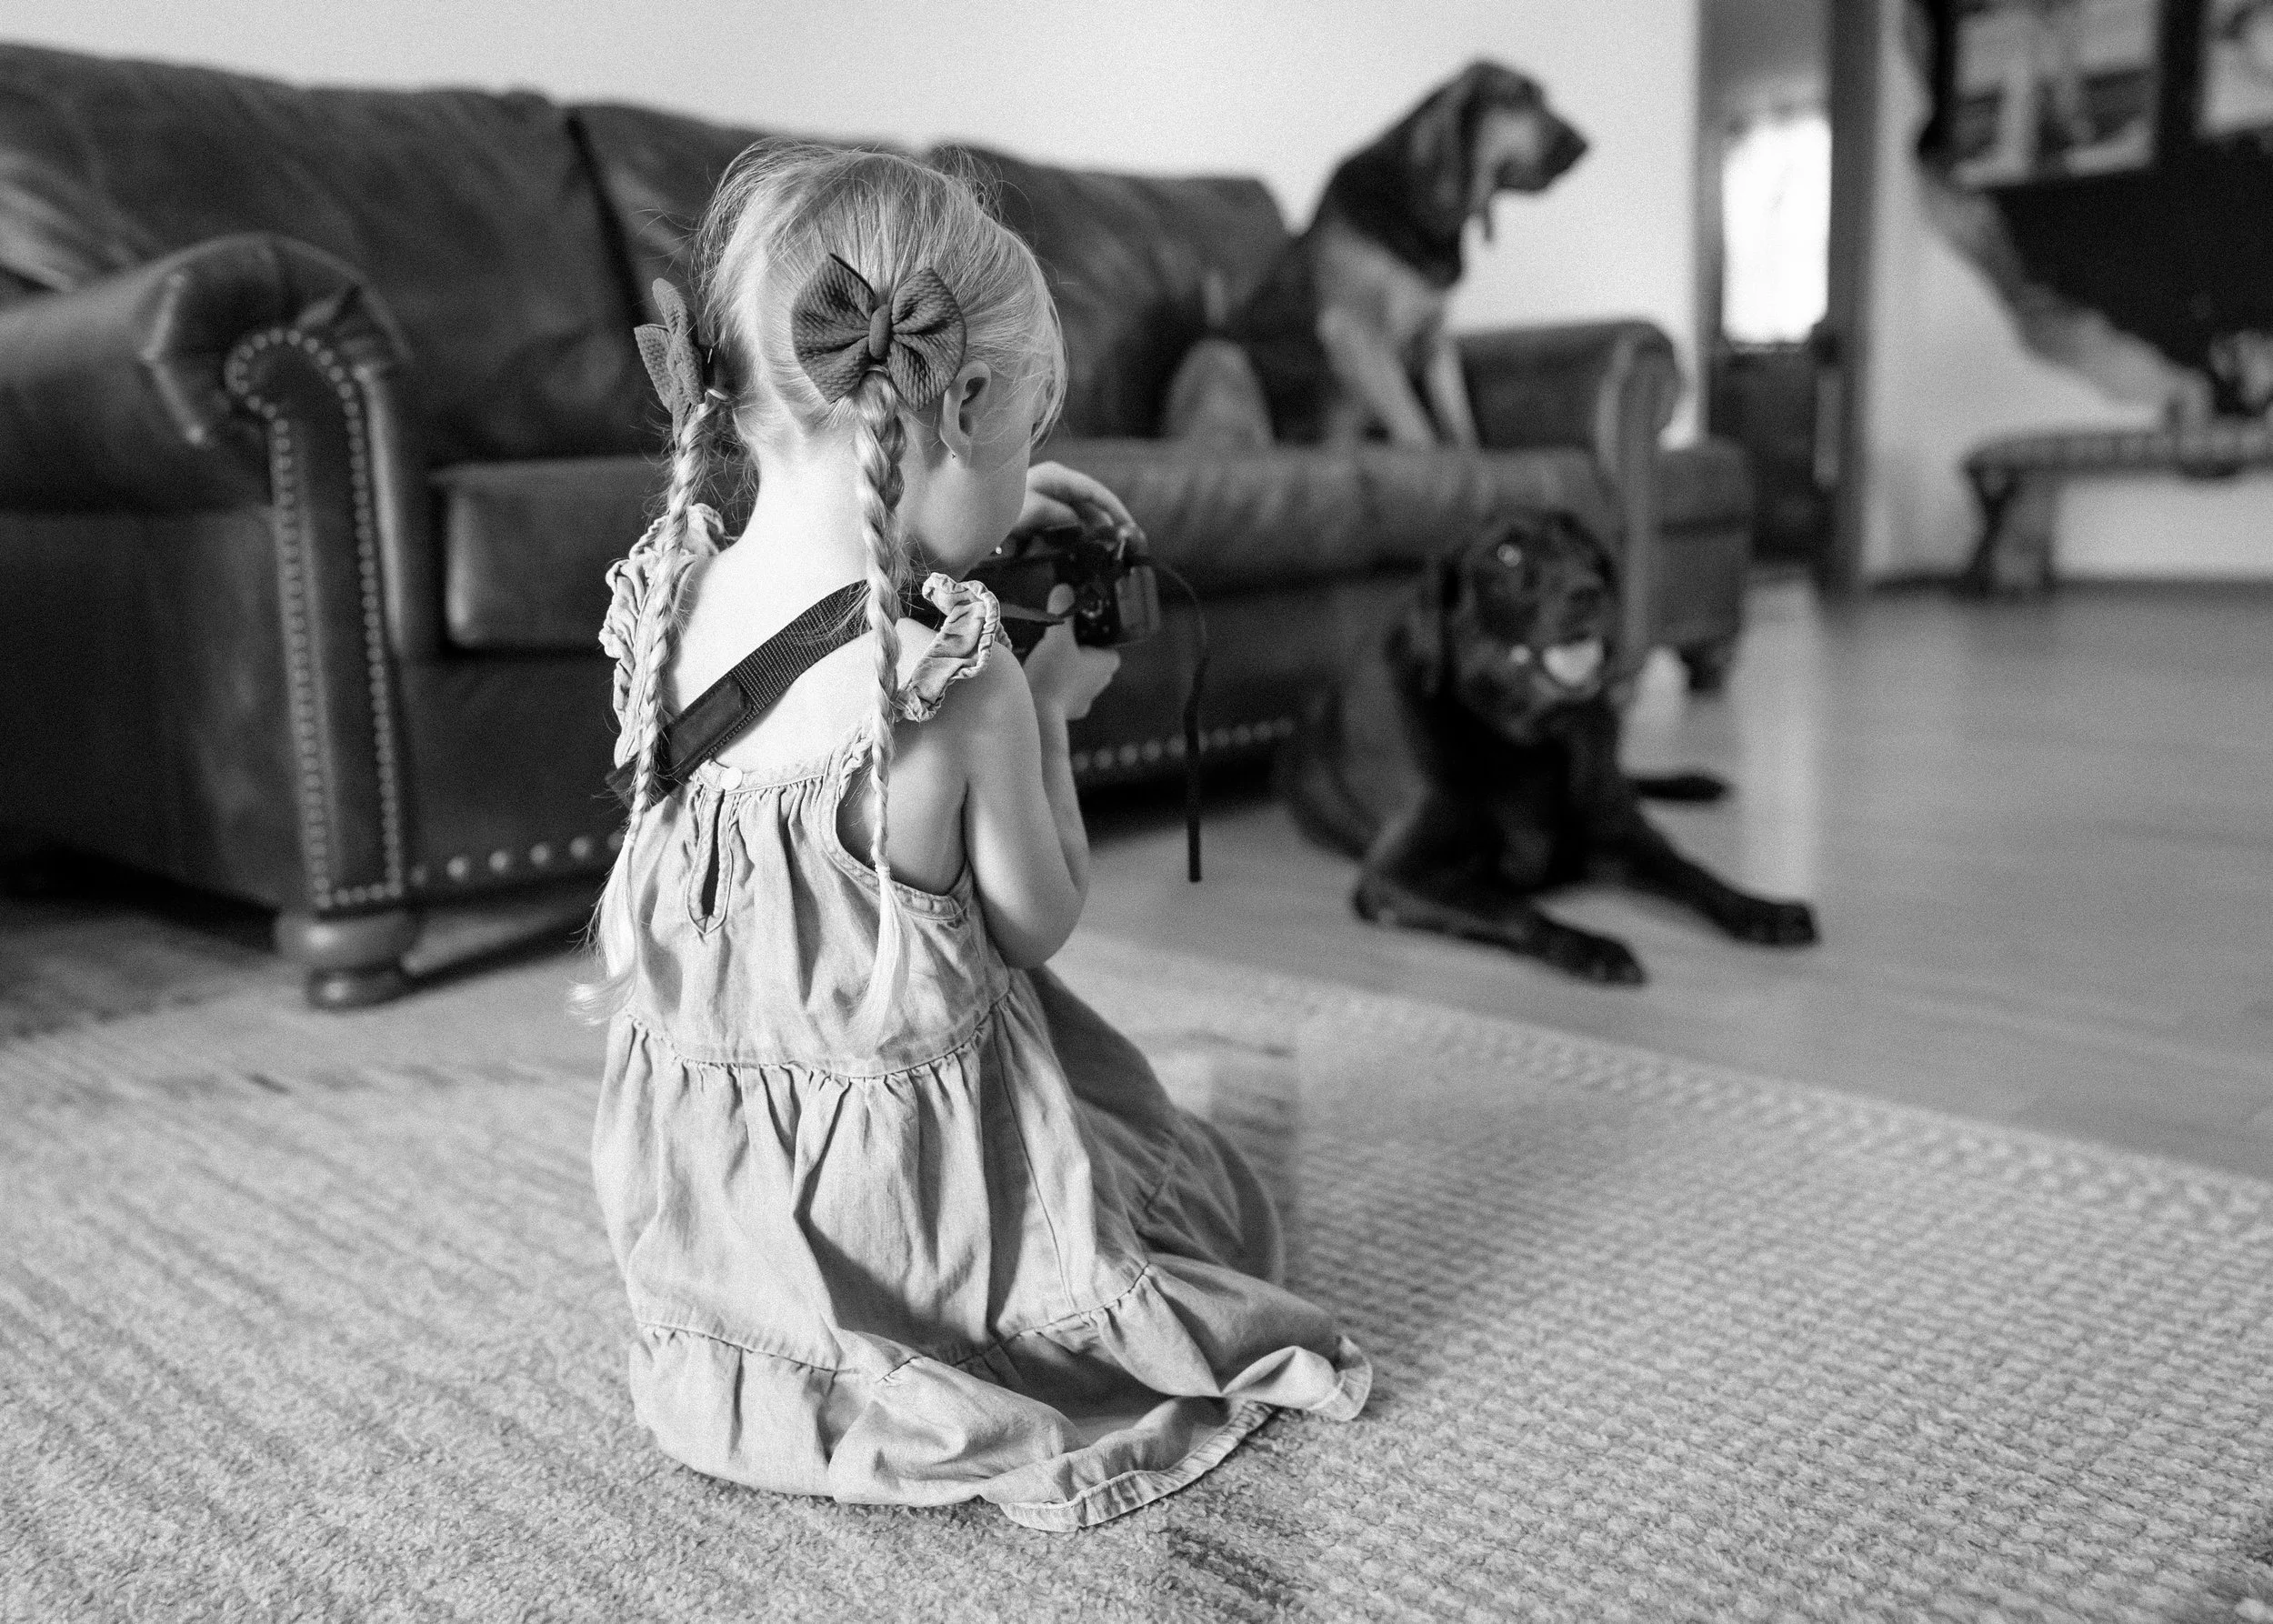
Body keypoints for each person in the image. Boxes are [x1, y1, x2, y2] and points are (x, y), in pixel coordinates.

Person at [578, 143, 1368, 1533]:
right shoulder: (960, 687)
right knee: (1198, 1201)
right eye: (1011, 451)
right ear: (967, 401)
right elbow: (1037, 922)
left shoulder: (669, 593)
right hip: (917, 1224)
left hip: (715, 1231)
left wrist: (975, 524)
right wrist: (1054, 705)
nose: (1018, 489)